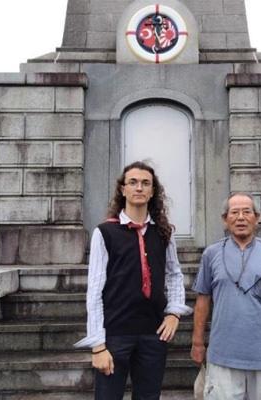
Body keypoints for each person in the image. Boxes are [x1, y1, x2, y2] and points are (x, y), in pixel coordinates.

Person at [75, 161, 192, 400]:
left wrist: (173, 313)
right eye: (133, 182)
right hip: (115, 334)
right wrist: (98, 345)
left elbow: (174, 273)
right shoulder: (105, 233)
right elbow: (95, 290)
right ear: (123, 189)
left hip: (154, 333)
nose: (139, 187)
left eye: (145, 183)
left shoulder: (164, 232)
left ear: (152, 192)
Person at [190, 192, 261, 400]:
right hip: (222, 357)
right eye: (234, 212)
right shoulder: (211, 254)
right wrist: (197, 343)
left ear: (256, 218)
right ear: (225, 219)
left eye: (247, 212)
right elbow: (202, 301)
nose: (240, 217)